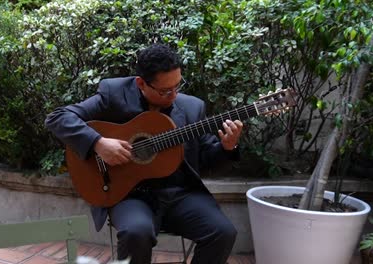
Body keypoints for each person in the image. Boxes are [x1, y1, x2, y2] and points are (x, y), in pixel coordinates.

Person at [45, 44, 243, 264]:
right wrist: (98, 143)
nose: (174, 95)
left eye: (178, 86)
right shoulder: (114, 93)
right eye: (165, 91)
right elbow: (58, 118)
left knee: (223, 232)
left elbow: (207, 161)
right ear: (141, 83)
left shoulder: (192, 107)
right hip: (130, 194)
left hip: (180, 193)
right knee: (136, 233)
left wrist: (227, 147)